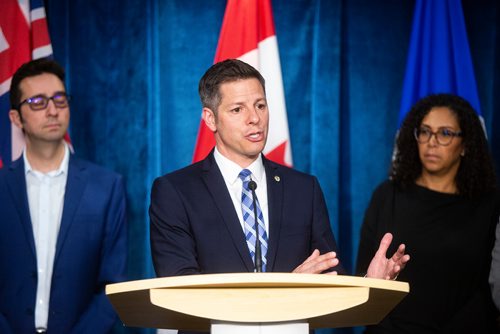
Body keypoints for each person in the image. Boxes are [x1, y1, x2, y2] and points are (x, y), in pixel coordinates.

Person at [150, 59, 408, 281]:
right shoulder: (175, 192)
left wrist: (370, 283)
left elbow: (330, 278)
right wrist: (286, 288)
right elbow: (182, 291)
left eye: (260, 105)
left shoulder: (304, 189)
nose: (255, 118)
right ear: (210, 119)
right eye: (238, 109)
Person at [0, 58, 128, 334]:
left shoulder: (106, 187)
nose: (52, 110)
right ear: (15, 117)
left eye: (59, 99)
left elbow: (113, 285)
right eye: (37, 102)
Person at [356, 93, 500, 333]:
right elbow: (365, 274)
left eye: (445, 133)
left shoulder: (489, 205)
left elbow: (488, 289)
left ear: (465, 145)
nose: (432, 141)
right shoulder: (387, 195)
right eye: (424, 131)